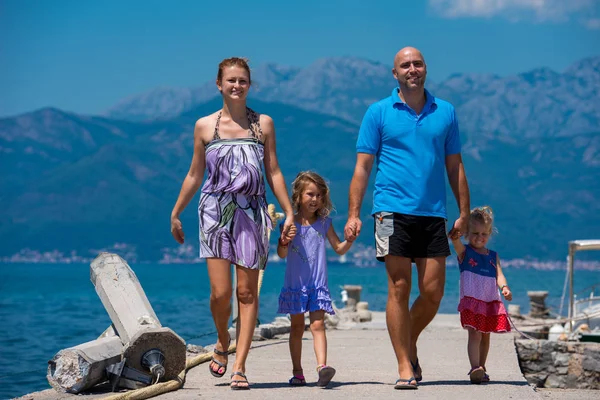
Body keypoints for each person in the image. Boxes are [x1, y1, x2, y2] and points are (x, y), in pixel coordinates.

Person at [344, 46, 470, 389]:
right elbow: (362, 167)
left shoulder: (445, 112)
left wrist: (464, 212)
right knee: (398, 285)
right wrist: (354, 213)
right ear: (395, 73)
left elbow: (455, 166)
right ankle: (404, 364)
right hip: (387, 211)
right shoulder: (378, 112)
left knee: (433, 292)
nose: (412, 69)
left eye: (417, 63)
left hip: (433, 213)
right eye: (405, 65)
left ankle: (407, 341)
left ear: (426, 69)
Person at [170, 57, 296, 390]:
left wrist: (289, 211)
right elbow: (195, 174)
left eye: (243, 81)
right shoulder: (204, 126)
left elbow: (274, 171)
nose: (237, 86)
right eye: (231, 81)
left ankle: (239, 365)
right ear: (218, 84)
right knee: (220, 294)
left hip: (252, 213)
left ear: (249, 85)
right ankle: (222, 340)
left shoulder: (263, 125)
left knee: (246, 291)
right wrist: (176, 211)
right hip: (213, 213)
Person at [277, 171, 353, 388]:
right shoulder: (289, 224)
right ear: (298, 196)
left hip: (317, 286)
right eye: (310, 194)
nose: (315, 199)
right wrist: (283, 240)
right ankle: (297, 372)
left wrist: (349, 240)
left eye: (319, 195)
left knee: (318, 324)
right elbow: (281, 254)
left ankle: (322, 368)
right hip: (296, 286)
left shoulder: (324, 223)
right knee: (297, 327)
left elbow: (339, 249)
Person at [450, 206, 512, 384]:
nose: (479, 237)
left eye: (484, 233)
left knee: (486, 335)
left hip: (489, 300)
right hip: (472, 301)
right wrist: (457, 229)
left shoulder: (493, 256)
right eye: (475, 233)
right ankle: (474, 367)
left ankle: (482, 368)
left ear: (490, 233)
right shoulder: (465, 252)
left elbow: (499, 274)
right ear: (467, 234)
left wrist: (504, 287)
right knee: (475, 334)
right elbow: (454, 240)